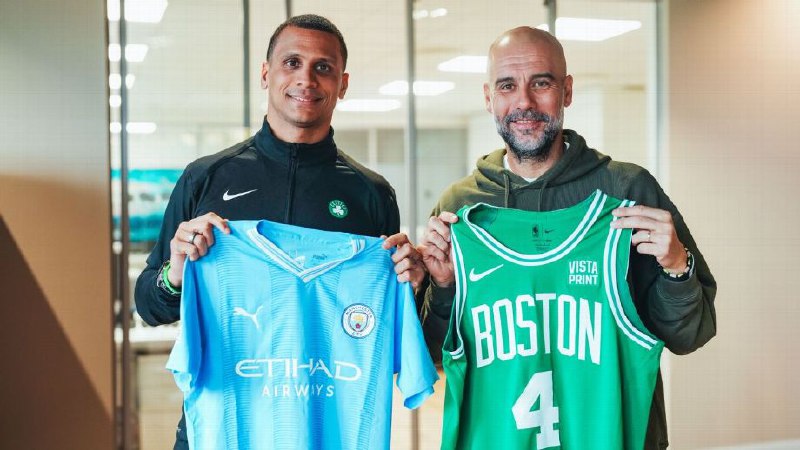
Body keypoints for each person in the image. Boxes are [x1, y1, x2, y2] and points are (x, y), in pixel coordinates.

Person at [417, 26, 716, 449]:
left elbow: (690, 336)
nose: (524, 101)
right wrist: (444, 287)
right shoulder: (461, 208)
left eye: (541, 83)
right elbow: (433, 353)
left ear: (567, 91)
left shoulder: (626, 194)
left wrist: (677, 268)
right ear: (488, 98)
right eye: (507, 86)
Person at [134, 14, 424, 449]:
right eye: (292, 62)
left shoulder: (371, 194)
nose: (306, 78)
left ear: (342, 84)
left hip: (326, 432)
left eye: (323, 67)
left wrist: (413, 285)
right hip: (220, 432)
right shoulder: (205, 178)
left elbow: (383, 326)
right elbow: (149, 306)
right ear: (266, 73)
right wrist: (175, 273)